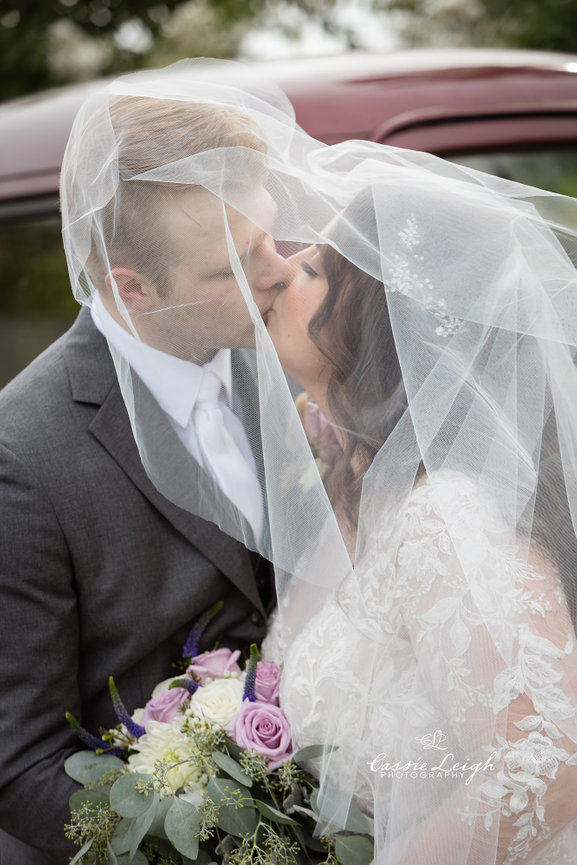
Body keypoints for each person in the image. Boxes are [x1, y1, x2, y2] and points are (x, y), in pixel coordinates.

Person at [57, 60, 577, 864]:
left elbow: (544, 768)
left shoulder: (448, 519)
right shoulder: (350, 469)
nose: (274, 271)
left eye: (308, 267)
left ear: (369, 326)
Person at [0, 64, 291, 864]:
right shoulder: (21, 456)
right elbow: (18, 763)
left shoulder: (299, 353)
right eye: (235, 262)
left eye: (268, 232)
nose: (278, 269)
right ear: (133, 288)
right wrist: (237, 846)